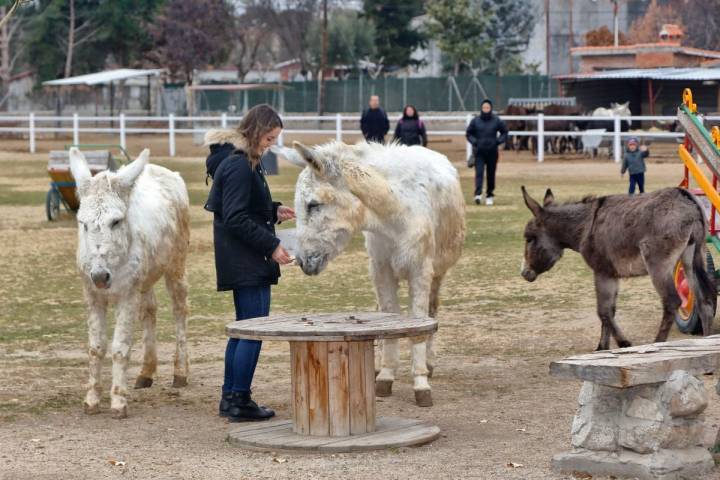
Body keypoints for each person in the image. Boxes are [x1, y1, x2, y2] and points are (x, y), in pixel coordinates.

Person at [204, 104, 295, 422]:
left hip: (241, 257)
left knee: (243, 330)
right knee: (253, 330)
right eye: (269, 138)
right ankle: (239, 399)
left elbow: (244, 207)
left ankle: (232, 397)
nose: (271, 145)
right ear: (256, 132)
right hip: (247, 260)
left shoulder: (241, 161)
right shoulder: (241, 164)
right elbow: (236, 217)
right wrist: (271, 246)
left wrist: (273, 211)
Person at [465, 99, 508, 206]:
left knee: (491, 174)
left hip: (492, 152)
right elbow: (469, 133)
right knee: (479, 174)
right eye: (484, 107)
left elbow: (505, 132)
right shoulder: (475, 121)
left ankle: (489, 195)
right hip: (479, 152)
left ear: (491, 108)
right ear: (481, 108)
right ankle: (478, 194)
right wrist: (475, 142)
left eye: (487, 107)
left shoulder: (496, 120)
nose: (486, 109)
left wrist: (497, 142)